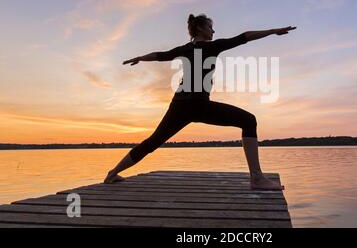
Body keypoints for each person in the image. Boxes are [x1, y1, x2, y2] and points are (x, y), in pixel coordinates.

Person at [104, 13, 296, 190]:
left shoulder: (185, 49)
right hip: (199, 105)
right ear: (202, 29)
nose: (213, 31)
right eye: (211, 27)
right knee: (248, 120)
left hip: (179, 105)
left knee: (152, 142)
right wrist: (272, 31)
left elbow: (159, 55)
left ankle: (112, 173)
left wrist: (139, 58)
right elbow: (243, 37)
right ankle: (257, 178)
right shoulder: (212, 46)